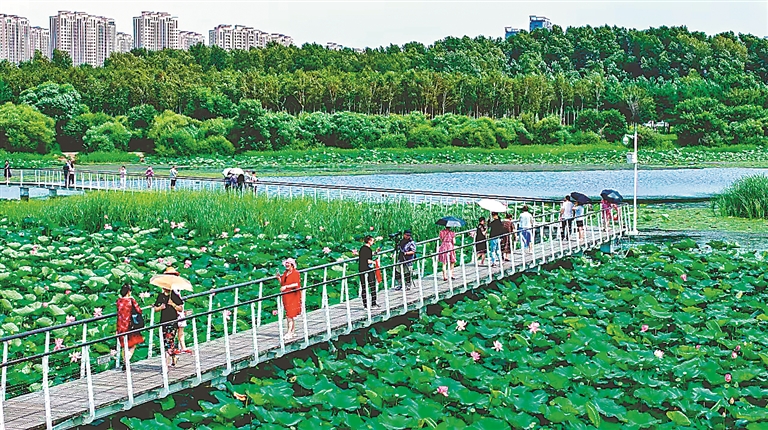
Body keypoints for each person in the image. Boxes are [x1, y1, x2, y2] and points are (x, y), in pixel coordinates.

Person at [153, 269, 184, 367]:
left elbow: (180, 308)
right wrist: (160, 308)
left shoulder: (174, 295)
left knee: (169, 340)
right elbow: (155, 308)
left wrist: (173, 304)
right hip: (163, 321)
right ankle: (174, 357)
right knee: (167, 341)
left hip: (173, 321)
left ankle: (166, 364)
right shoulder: (160, 296)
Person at [116, 284, 144, 368]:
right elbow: (139, 310)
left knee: (124, 346)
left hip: (120, 326)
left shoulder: (119, 301)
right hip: (130, 326)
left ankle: (125, 362)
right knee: (133, 345)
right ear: (129, 292)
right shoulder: (131, 300)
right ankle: (126, 361)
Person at [276, 258, 302, 339]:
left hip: (293, 295)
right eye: (286, 264)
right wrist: (279, 278)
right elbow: (283, 283)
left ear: (292, 265)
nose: (287, 265)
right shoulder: (285, 273)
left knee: (289, 315)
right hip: (286, 295)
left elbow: (296, 284)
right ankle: (292, 331)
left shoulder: (296, 273)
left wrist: (286, 287)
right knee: (289, 313)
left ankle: (289, 332)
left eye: (288, 264)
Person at [358, 235, 379, 308]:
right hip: (367, 269)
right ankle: (373, 303)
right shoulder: (367, 249)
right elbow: (366, 260)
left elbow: (366, 255)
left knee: (364, 287)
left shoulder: (363, 248)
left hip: (361, 269)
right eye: (372, 241)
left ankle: (365, 305)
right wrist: (374, 262)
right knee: (372, 285)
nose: (373, 242)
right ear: (369, 241)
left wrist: (375, 252)